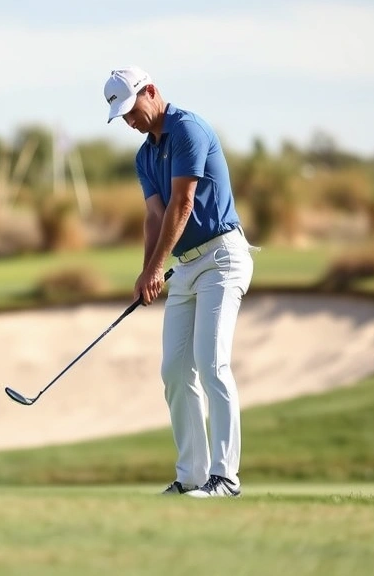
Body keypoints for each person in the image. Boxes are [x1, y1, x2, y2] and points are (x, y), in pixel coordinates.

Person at [103, 65, 257, 498]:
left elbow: (183, 203)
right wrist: (145, 270)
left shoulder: (188, 129)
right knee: (174, 369)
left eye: (133, 110)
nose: (130, 121)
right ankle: (192, 476)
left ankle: (225, 478)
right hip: (187, 266)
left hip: (222, 258)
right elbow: (155, 215)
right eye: (123, 116)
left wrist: (156, 268)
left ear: (150, 91)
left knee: (212, 364)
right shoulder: (144, 156)